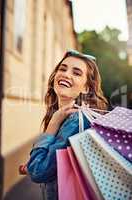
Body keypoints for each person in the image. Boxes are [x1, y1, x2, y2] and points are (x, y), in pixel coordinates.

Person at [26, 49, 108, 200]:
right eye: (62, 69)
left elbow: (37, 171)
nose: (66, 74)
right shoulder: (70, 117)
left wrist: (53, 124)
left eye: (76, 73)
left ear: (86, 88)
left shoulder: (76, 122)